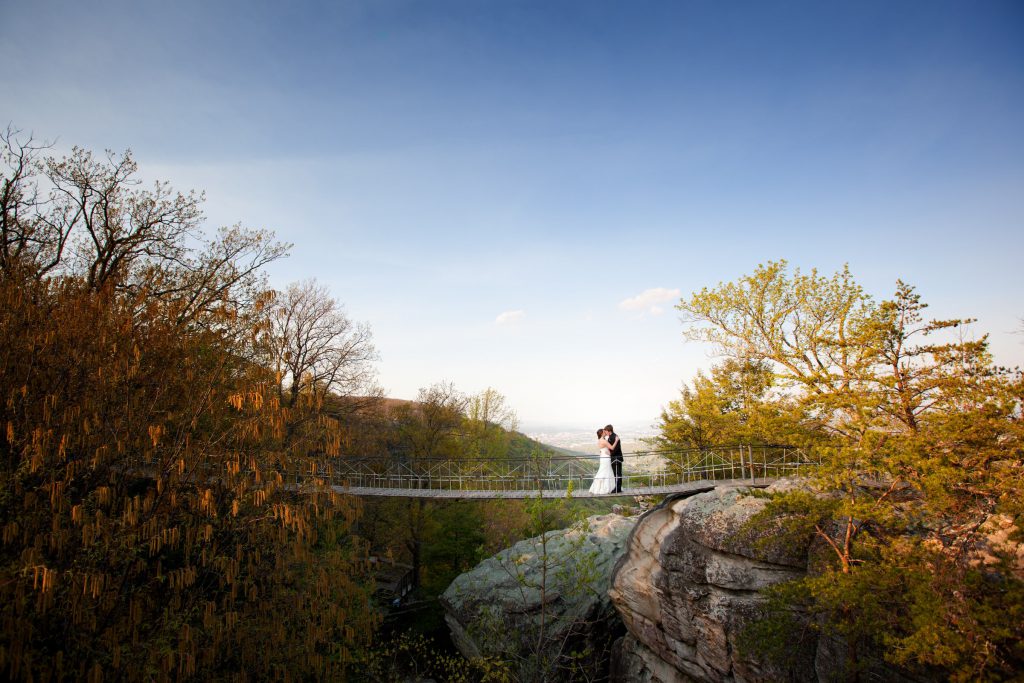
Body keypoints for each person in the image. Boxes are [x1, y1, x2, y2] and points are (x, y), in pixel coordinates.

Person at [589, 428, 617, 495]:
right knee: (606, 471)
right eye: (604, 432)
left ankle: (598, 487)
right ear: (601, 433)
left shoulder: (599, 440)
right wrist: (616, 441)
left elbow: (602, 449)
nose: (605, 433)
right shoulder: (604, 441)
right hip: (606, 458)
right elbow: (612, 448)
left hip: (602, 457)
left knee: (602, 471)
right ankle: (606, 488)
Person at [605, 425, 624, 493]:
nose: (605, 432)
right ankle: (617, 487)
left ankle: (618, 489)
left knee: (618, 473)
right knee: (616, 473)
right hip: (614, 458)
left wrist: (610, 454)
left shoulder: (615, 437)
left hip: (617, 458)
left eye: (606, 431)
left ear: (609, 431)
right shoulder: (610, 437)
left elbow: (616, 449)